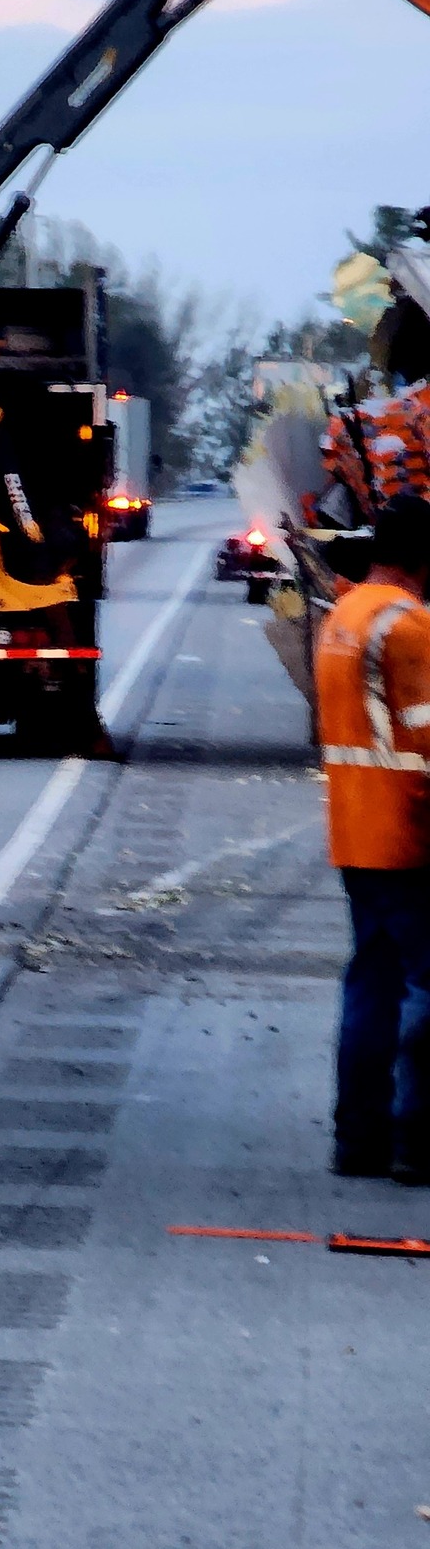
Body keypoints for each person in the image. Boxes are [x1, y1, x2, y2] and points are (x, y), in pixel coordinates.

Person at [315, 493, 430, 1179]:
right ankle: (418, 1139)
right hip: (410, 834)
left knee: (372, 982)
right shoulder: (408, 626)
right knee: (426, 985)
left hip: (356, 833)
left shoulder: (344, 616)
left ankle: (358, 1138)